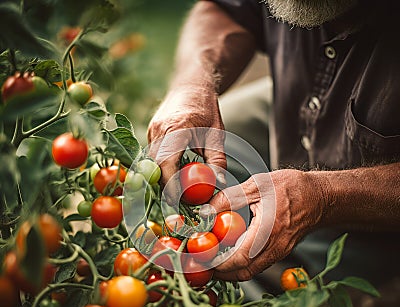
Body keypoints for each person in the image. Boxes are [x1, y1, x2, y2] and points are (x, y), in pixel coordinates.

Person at [148, 0, 400, 290]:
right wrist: (192, 84)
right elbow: (229, 10)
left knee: (255, 289)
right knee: (198, 138)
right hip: (298, 109)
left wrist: (324, 196)